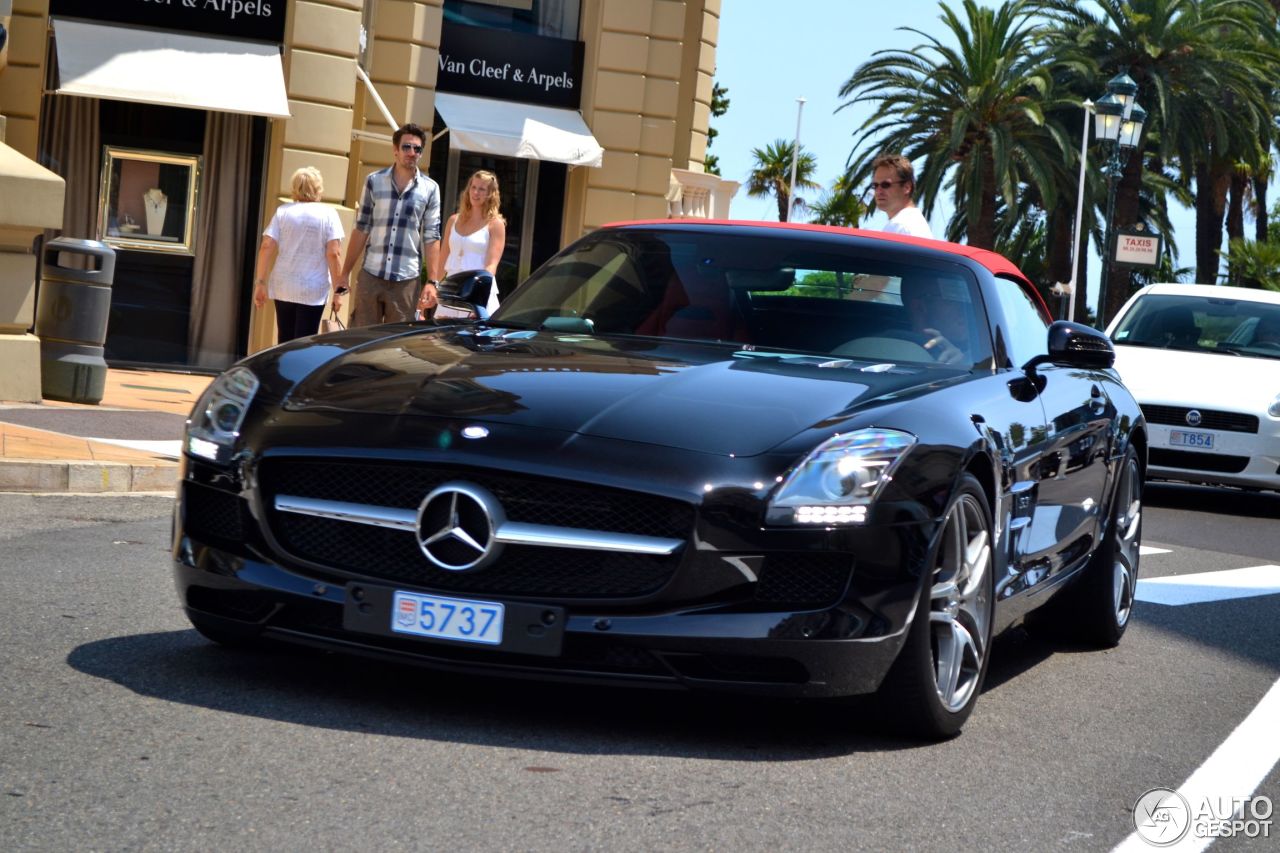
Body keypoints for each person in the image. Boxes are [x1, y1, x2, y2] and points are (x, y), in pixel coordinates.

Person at [340, 122, 442, 326]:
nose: (412, 152)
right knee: (362, 339)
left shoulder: (430, 189)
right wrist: (344, 274)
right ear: (395, 150)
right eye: (406, 147)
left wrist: (432, 281)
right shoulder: (374, 181)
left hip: (406, 280)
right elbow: (361, 229)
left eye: (417, 148)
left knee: (397, 347)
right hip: (372, 274)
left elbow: (432, 237)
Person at [252, 166, 345, 342]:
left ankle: (283, 369)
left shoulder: (283, 211)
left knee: (284, 340)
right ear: (318, 189)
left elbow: (266, 246)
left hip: (284, 285)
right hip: (312, 289)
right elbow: (334, 254)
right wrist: (338, 292)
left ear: (294, 188)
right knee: (304, 343)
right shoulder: (329, 214)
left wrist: (260, 283)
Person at [436, 169, 507, 315]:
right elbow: (442, 261)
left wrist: (479, 302)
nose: (476, 192)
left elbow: (491, 266)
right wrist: (432, 287)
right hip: (451, 291)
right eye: (473, 187)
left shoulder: (495, 224)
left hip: (477, 293)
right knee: (442, 337)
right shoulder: (453, 220)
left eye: (482, 189)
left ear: (490, 194)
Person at [900, 275, 972, 364]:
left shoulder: (978, 352)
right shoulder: (893, 345)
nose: (964, 310)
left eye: (965, 301)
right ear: (920, 306)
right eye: (951, 300)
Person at [872, 153, 934, 238]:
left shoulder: (900, 226)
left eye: (885, 185)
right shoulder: (912, 223)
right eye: (875, 185)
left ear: (906, 187)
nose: (878, 191)